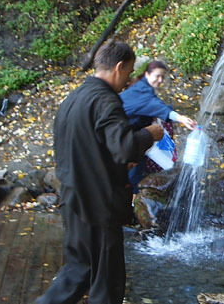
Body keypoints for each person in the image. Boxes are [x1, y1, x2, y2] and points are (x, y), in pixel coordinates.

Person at [35, 40, 164, 304]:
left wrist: (117, 163)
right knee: (107, 282)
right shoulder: (105, 100)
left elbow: (87, 148)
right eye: (128, 74)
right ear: (118, 67)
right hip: (98, 203)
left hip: (72, 198)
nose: (128, 82)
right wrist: (149, 134)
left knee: (77, 271)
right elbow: (126, 147)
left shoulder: (73, 99)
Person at [120, 60, 196, 192]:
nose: (160, 80)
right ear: (147, 74)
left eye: (162, 77)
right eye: (157, 76)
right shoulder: (142, 92)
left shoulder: (139, 87)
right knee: (133, 170)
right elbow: (156, 106)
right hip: (127, 137)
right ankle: (133, 198)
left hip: (129, 135)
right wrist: (182, 119)